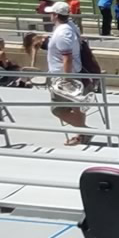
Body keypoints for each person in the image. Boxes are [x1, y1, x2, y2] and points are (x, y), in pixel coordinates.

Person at [46, 8, 91, 146]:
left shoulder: (62, 33)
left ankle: (84, 132)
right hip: (72, 73)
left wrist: (66, 80)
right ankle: (82, 135)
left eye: (51, 13)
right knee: (76, 106)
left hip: (64, 76)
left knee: (57, 109)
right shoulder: (70, 27)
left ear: (55, 15)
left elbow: (67, 58)